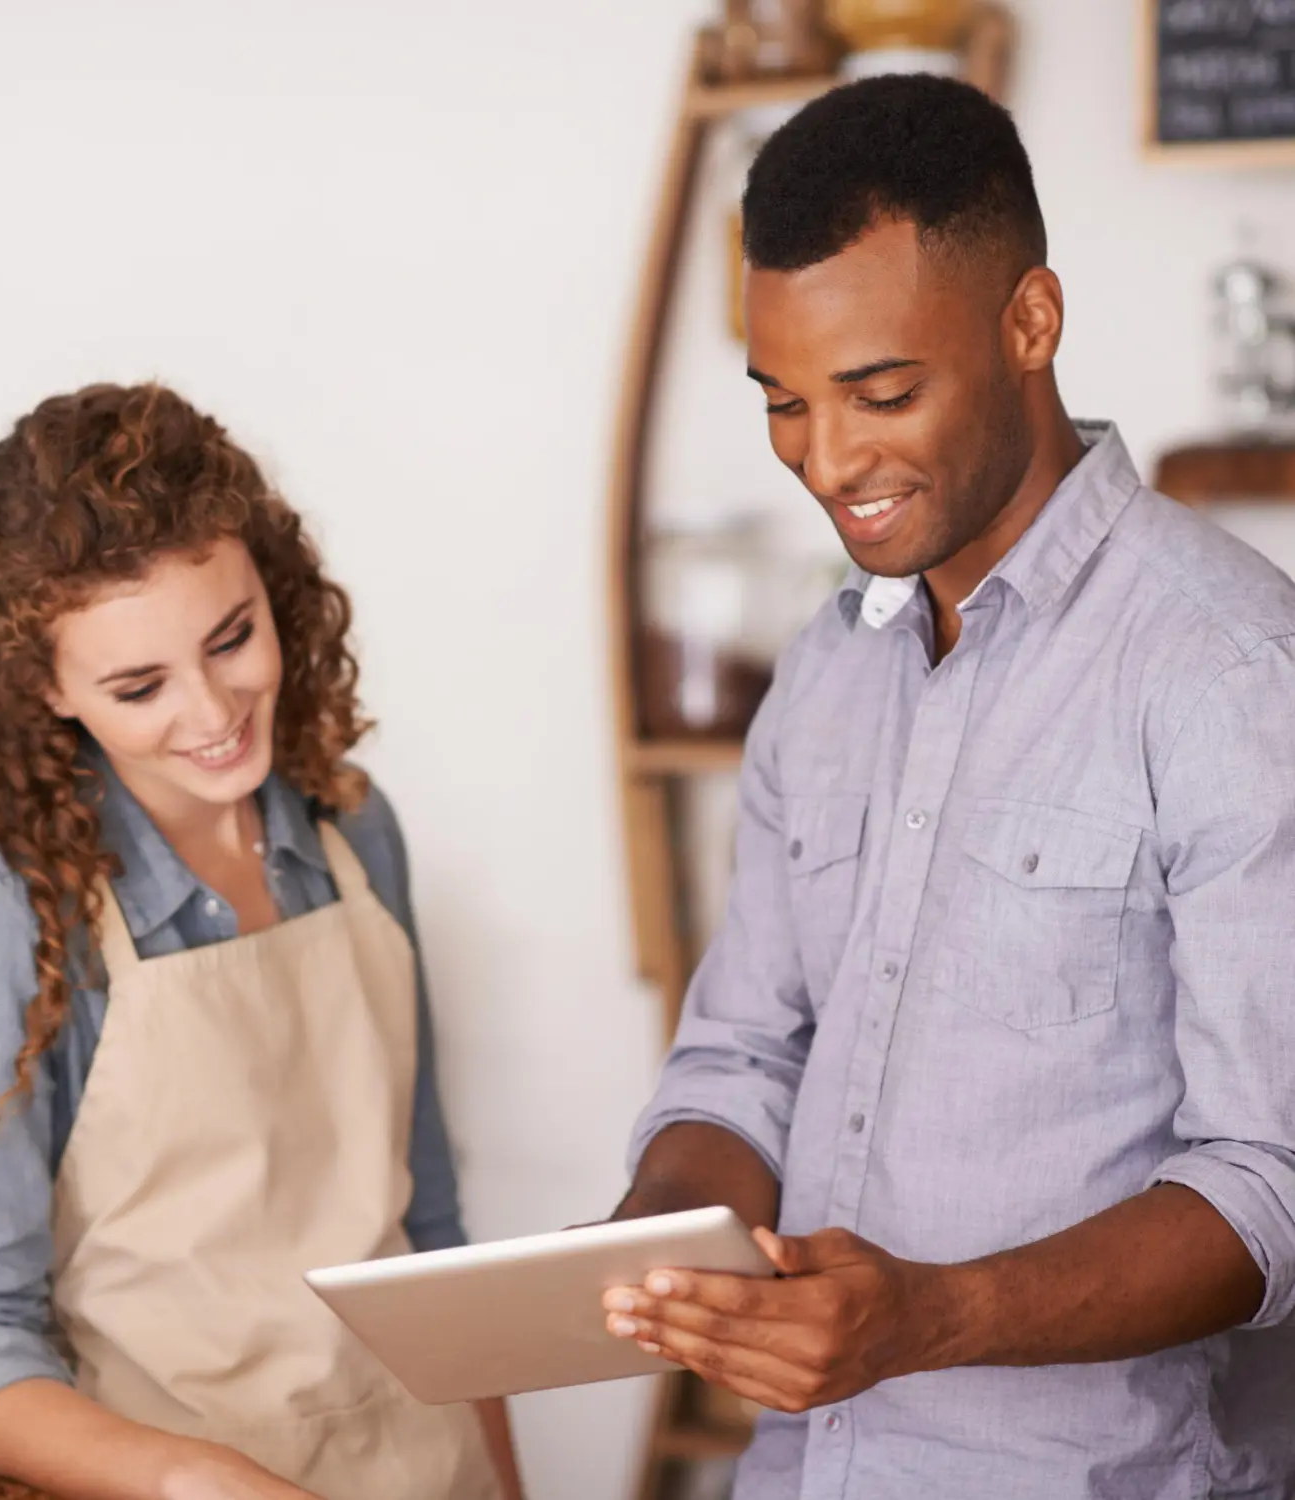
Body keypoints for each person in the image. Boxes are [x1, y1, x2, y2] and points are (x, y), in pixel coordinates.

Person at [602, 74, 1295, 1499]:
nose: (829, 462)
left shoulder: (1229, 672)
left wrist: (927, 1314)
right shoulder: (827, 673)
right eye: (784, 404)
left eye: (882, 392)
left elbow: (1271, 1184)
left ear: (1030, 323)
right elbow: (744, 1057)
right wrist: (656, 1251)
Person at [0, 383, 523, 1500]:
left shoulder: (356, 831)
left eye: (233, 638)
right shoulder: (0, 922)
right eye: (139, 686)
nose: (215, 712)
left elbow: (431, 1231)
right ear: (47, 686)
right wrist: (199, 1481)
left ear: (275, 589)